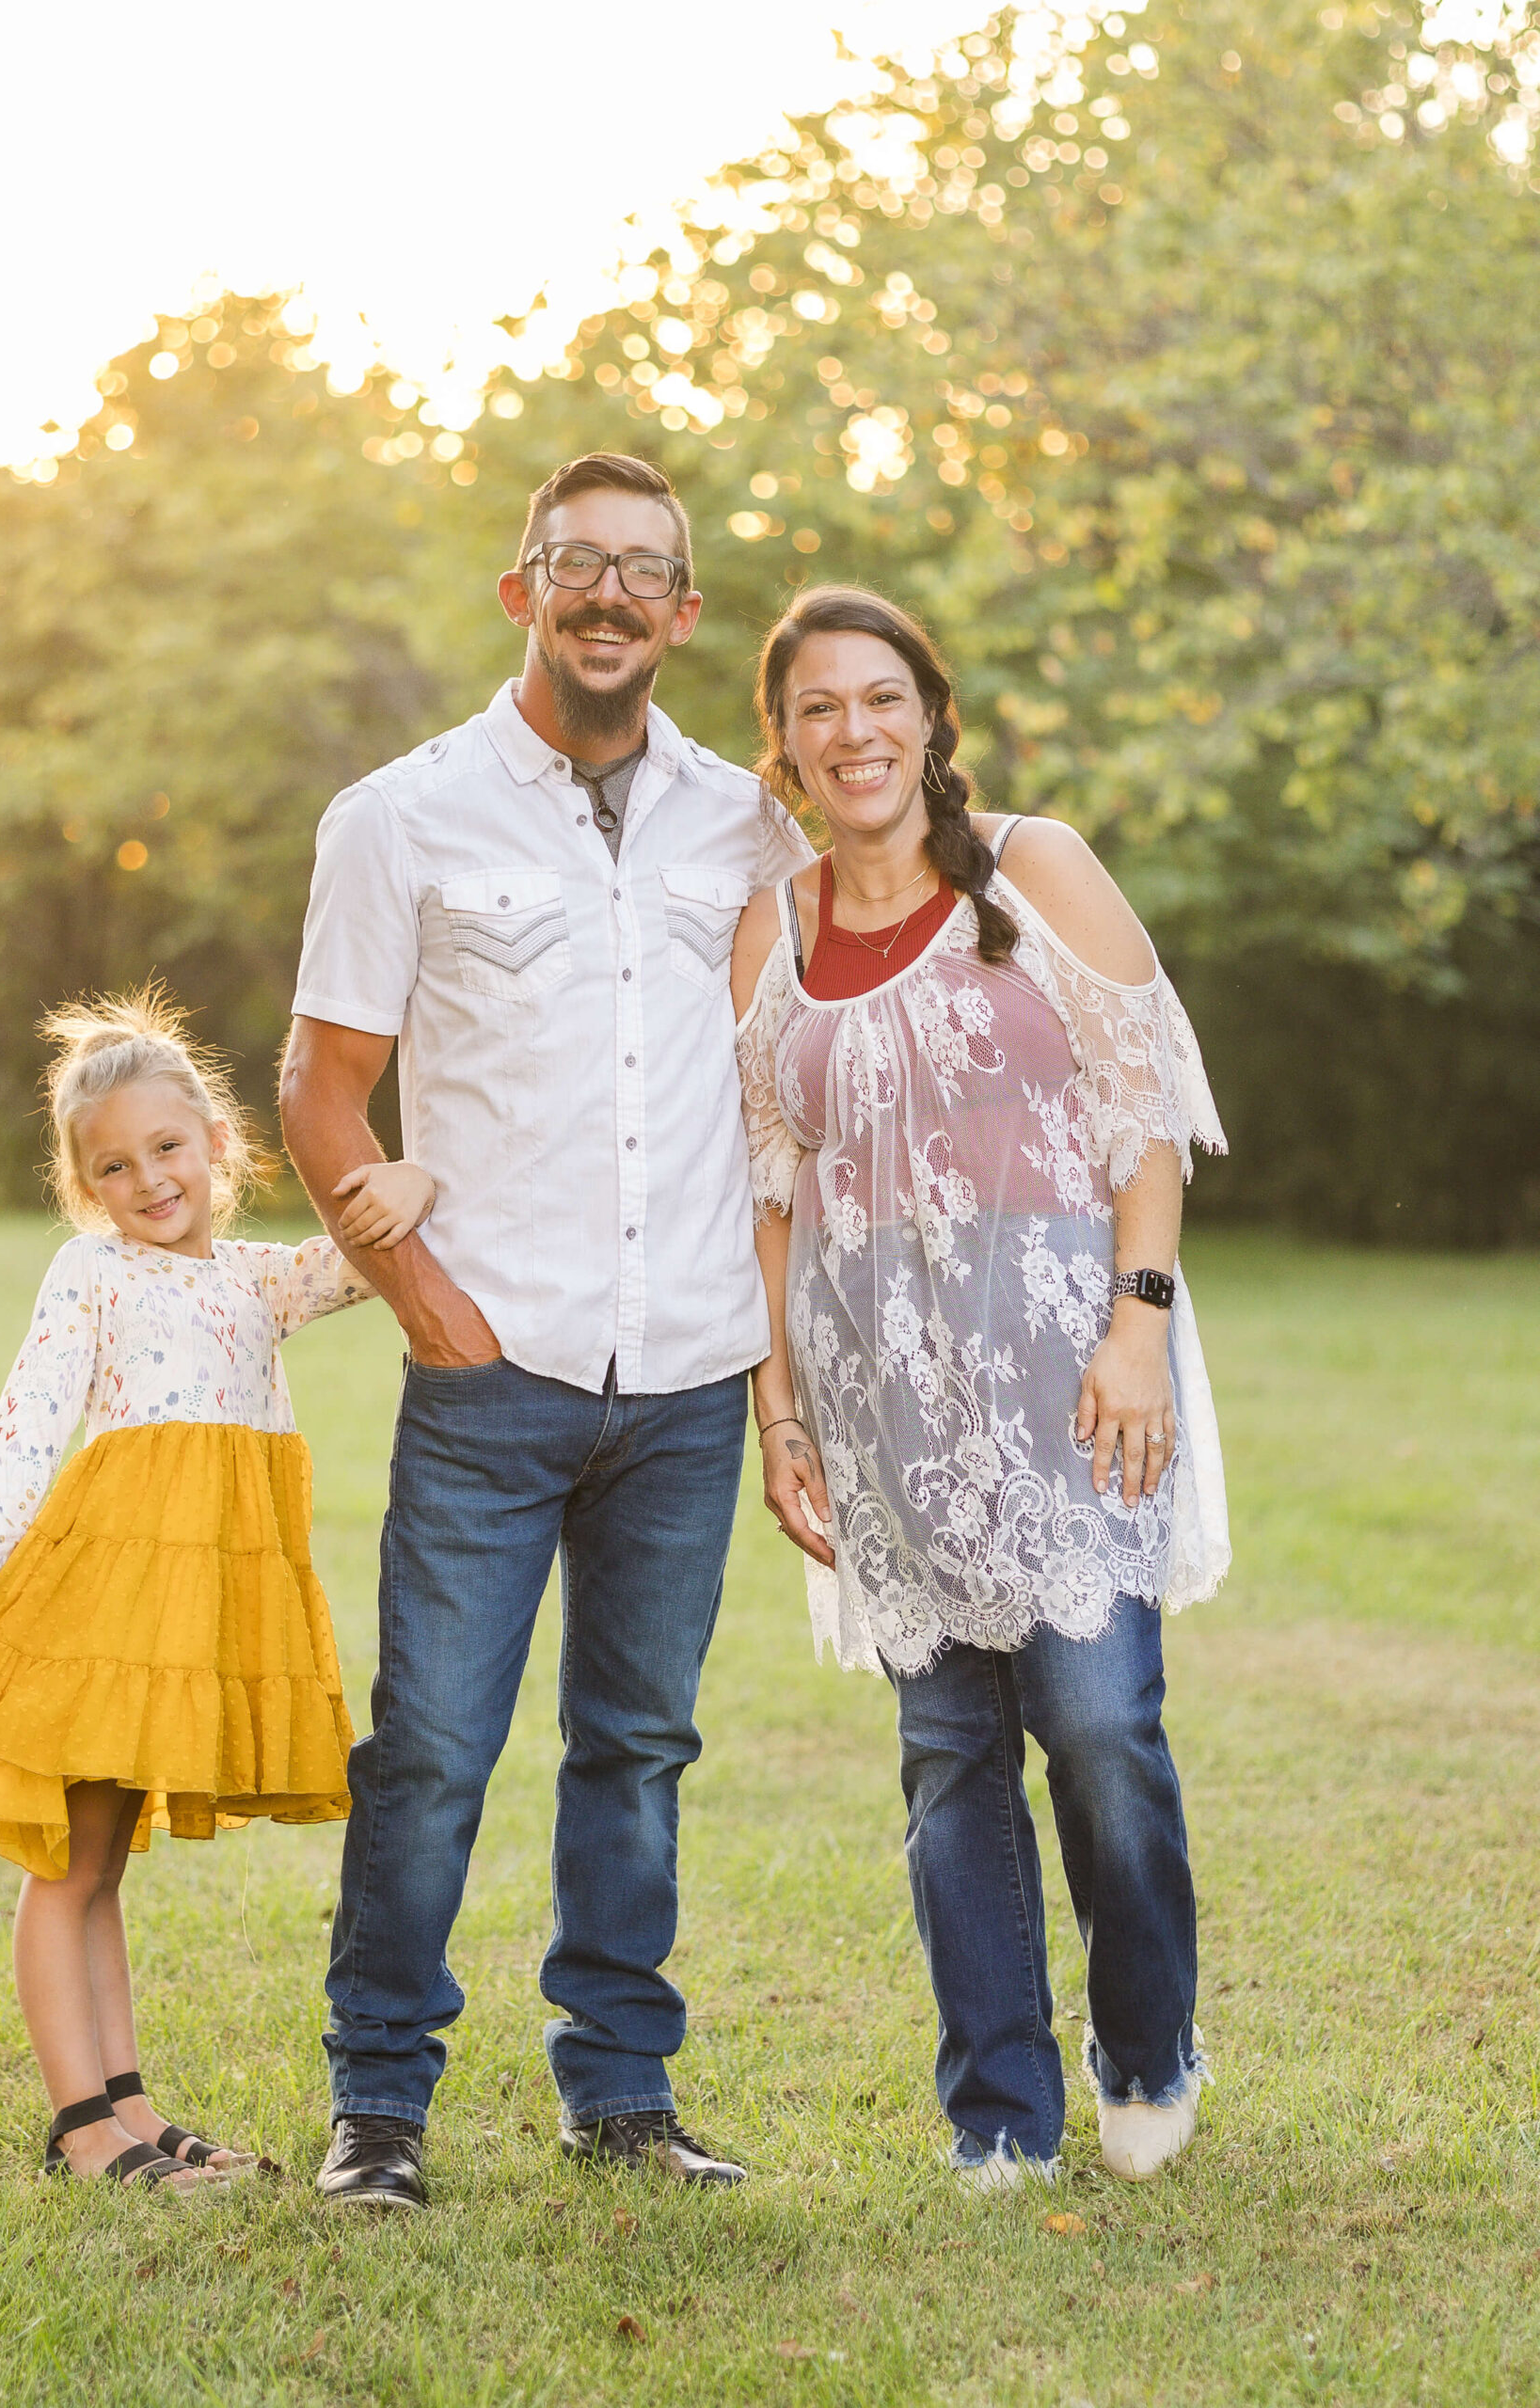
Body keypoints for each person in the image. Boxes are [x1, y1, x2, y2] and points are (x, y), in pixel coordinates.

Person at [279, 452, 813, 2209]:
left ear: (683, 613)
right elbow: (320, 1093)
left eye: (643, 569)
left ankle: (621, 2093)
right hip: (491, 1372)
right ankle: (379, 2104)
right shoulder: (400, 817)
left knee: (638, 1748)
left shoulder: (748, 824)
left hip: (687, 1374)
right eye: (576, 561)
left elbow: (795, 1078)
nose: (607, 593)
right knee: (432, 1747)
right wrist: (430, 1309)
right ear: (521, 592)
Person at [732, 587, 1230, 2189]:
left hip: (1070, 1362)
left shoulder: (1035, 866)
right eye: (818, 708)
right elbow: (767, 1192)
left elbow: (1142, 1108)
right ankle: (997, 2110)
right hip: (880, 1388)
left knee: (1097, 1721)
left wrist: (1137, 1324)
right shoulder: (770, 931)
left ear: (929, 717)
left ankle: (1146, 2047)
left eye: (881, 697)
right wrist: (778, 1408)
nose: (854, 731)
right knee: (948, 1755)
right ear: (785, 745)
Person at [0, 989, 432, 2193]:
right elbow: (29, 1414)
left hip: (185, 1611)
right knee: (67, 1867)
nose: (148, 1179)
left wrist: (416, 1176)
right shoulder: (93, 1271)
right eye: (113, 1166)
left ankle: (129, 2107)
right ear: (85, 1188)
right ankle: (81, 2128)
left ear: (219, 1142)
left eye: (167, 1147)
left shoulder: (258, 1280)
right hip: (107, 1602)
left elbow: (365, 1255)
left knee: (102, 1867)